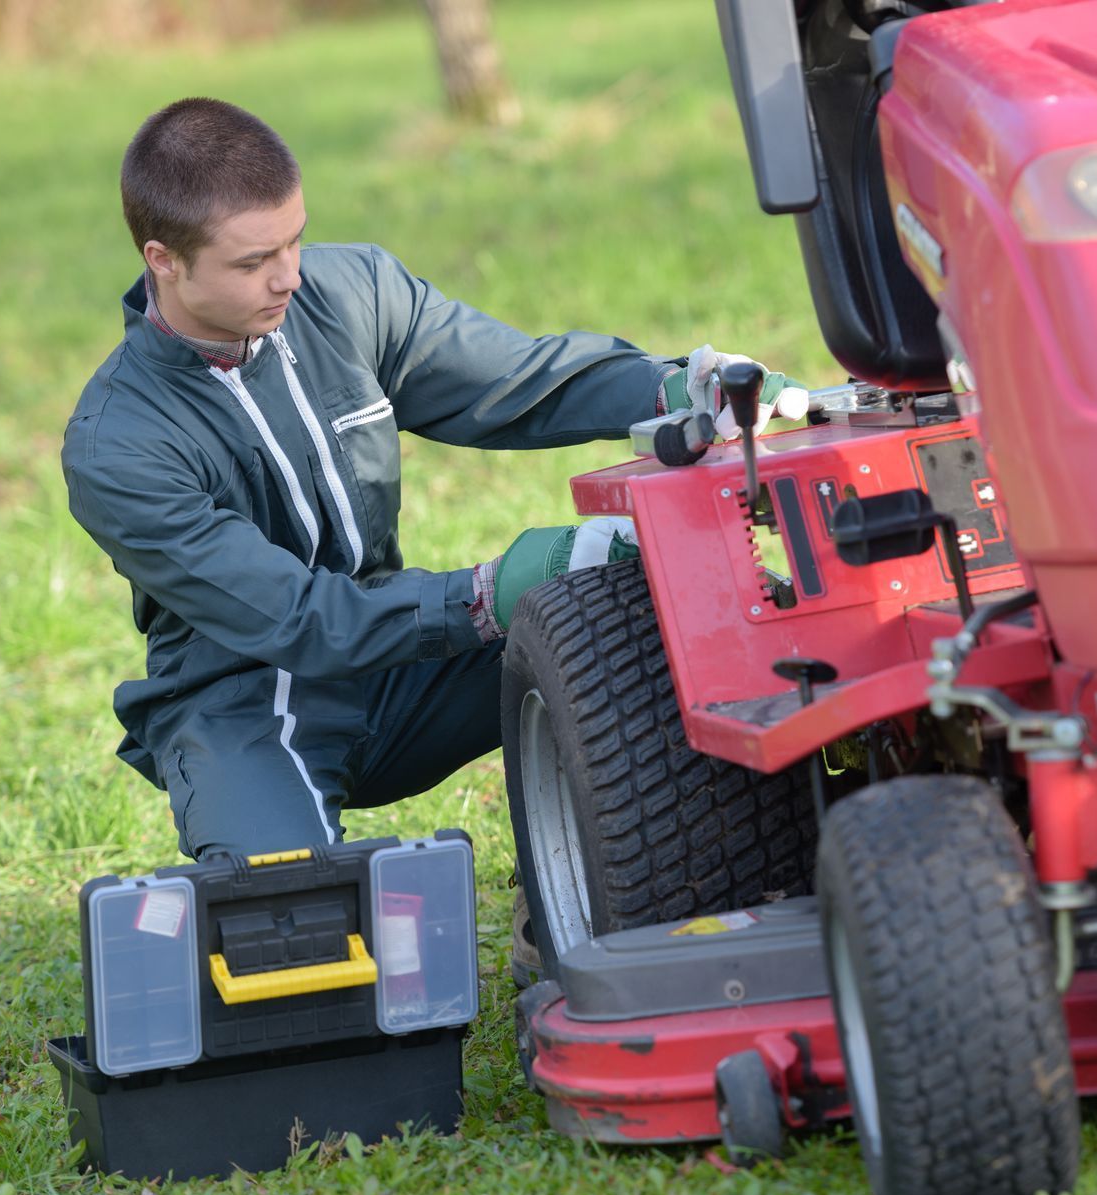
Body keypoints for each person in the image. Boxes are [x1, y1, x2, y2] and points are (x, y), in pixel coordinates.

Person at [61, 98, 803, 968]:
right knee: (295, 936)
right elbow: (296, 618)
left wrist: (674, 390)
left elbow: (519, 381)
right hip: (243, 701)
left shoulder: (352, 292)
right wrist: (489, 594)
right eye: (255, 260)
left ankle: (591, 897)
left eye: (295, 239)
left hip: (400, 663)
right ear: (165, 263)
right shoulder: (117, 443)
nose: (288, 277)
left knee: (649, 605)